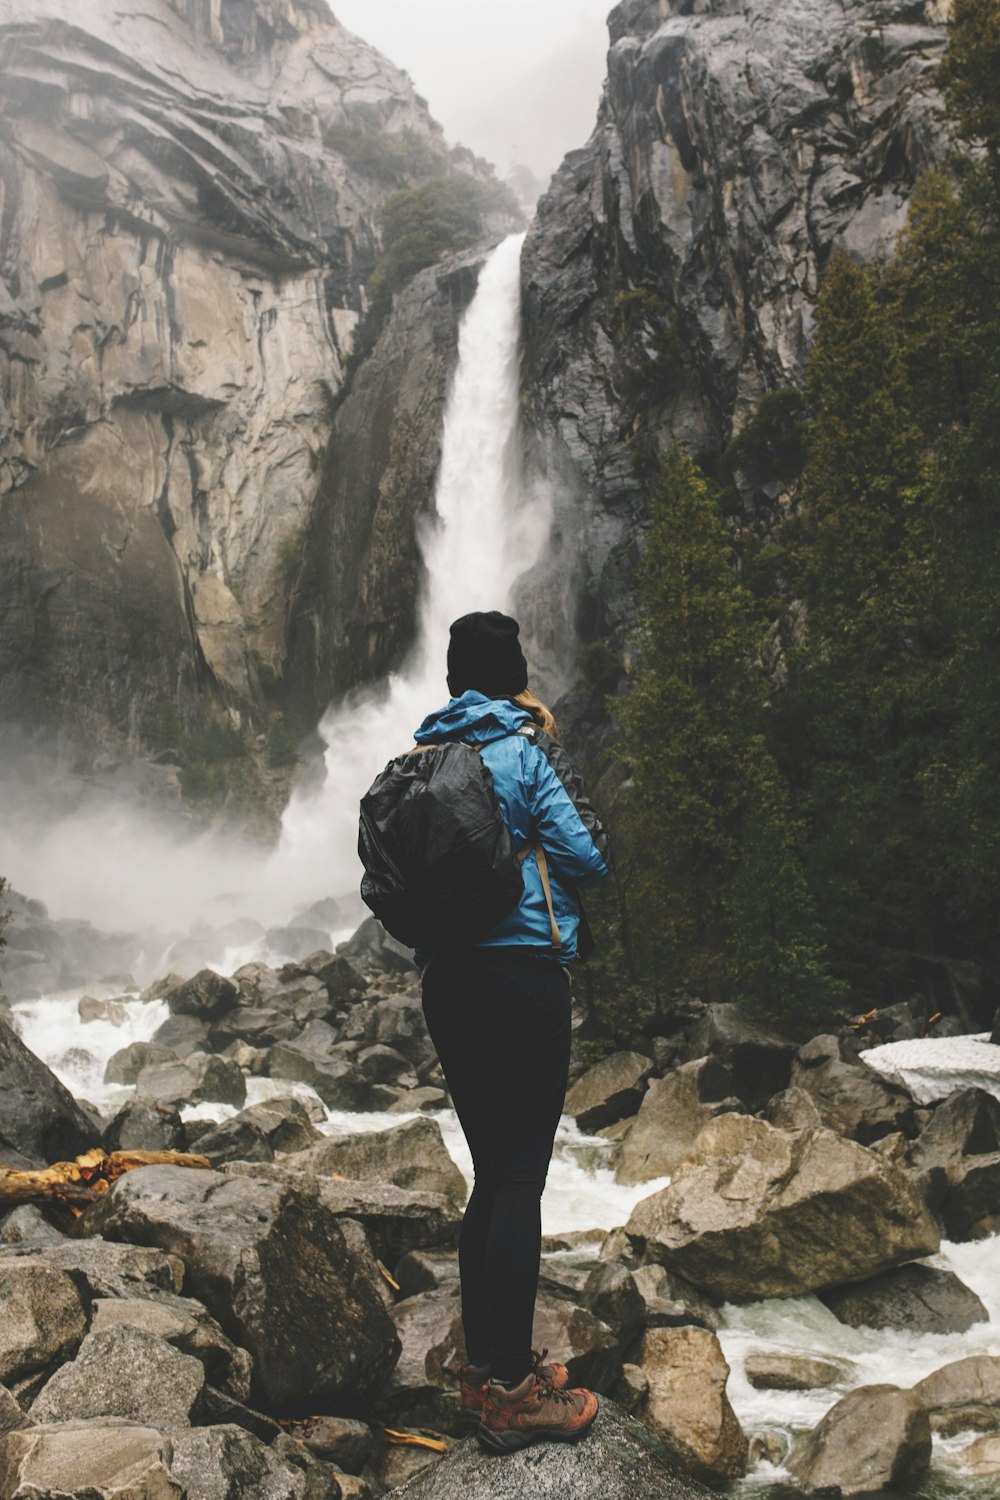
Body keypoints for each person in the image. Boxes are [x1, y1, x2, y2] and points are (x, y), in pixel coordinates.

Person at [414, 610, 610, 1453]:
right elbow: (590, 860)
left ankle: (482, 1373)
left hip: (447, 985)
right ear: (513, 673)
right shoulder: (522, 753)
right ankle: (510, 1394)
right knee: (521, 1178)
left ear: (456, 678)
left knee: (489, 1175)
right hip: (523, 976)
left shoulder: (422, 760)